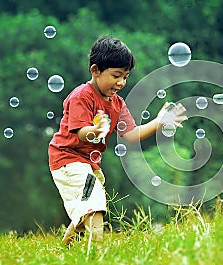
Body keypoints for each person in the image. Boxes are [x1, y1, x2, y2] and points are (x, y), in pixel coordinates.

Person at [48, 35, 187, 245]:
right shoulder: (81, 97)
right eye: (116, 75)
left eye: (126, 76)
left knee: (85, 207)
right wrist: (95, 130)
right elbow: (80, 133)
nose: (121, 82)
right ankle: (98, 251)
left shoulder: (117, 103)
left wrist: (159, 122)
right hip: (67, 159)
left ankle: (62, 251)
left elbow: (131, 134)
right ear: (95, 71)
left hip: (88, 163)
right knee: (94, 203)